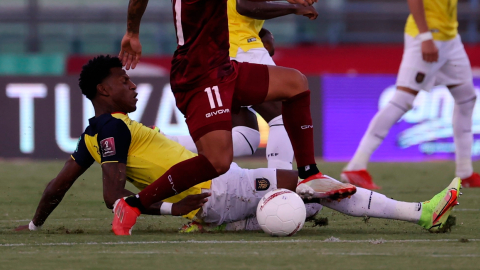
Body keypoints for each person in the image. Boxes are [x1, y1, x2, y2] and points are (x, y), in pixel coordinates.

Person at [17, 56, 461, 234]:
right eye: (123, 81)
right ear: (101, 89)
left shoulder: (94, 137)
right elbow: (114, 197)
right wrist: (177, 205)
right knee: (315, 185)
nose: (133, 86)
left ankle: (265, 216)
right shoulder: (111, 129)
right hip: (220, 189)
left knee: (293, 204)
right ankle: (420, 212)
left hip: (216, 199)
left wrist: (36, 226)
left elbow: (57, 187)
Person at [114, 0, 350, 235]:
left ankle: (309, 174)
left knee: (295, 83)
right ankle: (133, 204)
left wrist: (133, 31)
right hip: (199, 74)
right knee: (217, 161)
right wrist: (132, 32)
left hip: (222, 65)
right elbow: (245, 5)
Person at [341, 0, 480, 189]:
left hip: (450, 37)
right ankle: (355, 167)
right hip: (428, 36)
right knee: (403, 100)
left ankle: (465, 173)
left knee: (467, 98)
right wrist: (425, 37)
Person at [167, 0, 318, 170]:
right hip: (241, 51)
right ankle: (280, 183)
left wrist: (262, 31)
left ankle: (163, 141)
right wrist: (294, 8)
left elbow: (235, 10)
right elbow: (246, 6)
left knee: (246, 136)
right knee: (284, 115)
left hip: (216, 55)